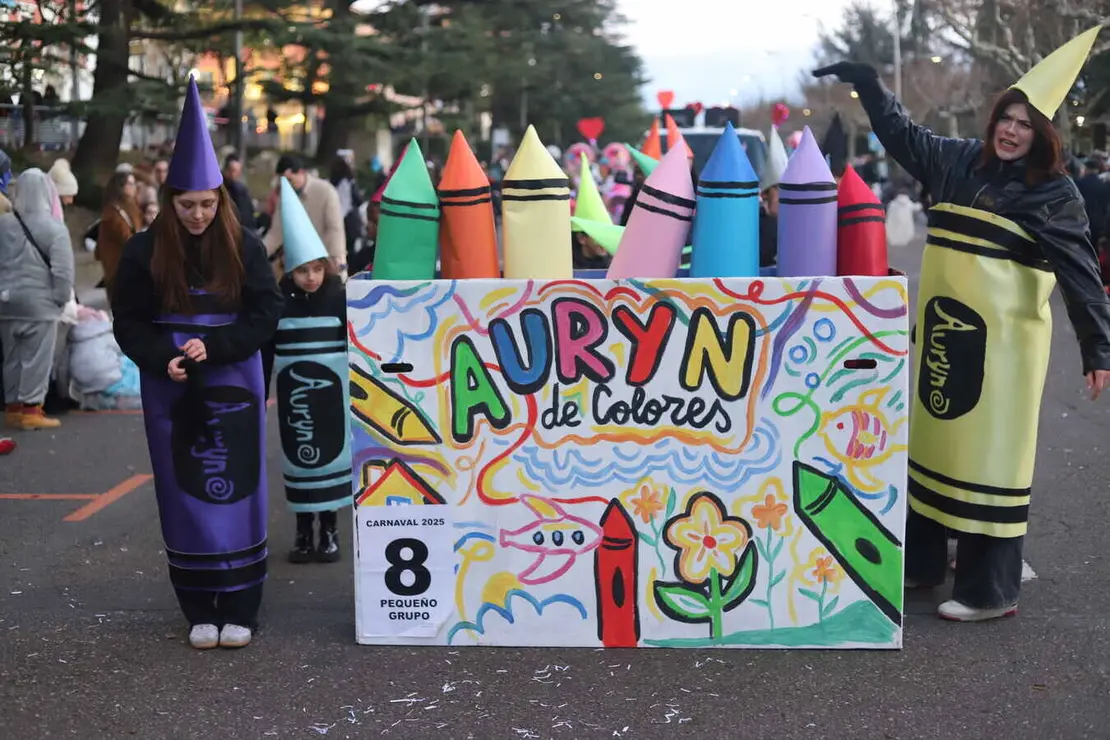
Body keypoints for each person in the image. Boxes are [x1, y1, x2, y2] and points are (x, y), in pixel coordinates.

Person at [814, 25, 1110, 622]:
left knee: (989, 459)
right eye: (1007, 117)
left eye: (1026, 124)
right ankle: (923, 563)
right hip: (946, 338)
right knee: (935, 445)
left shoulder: (1054, 195)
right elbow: (901, 134)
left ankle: (990, 589)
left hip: (1003, 354)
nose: (1011, 130)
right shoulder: (955, 162)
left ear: (1043, 135)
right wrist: (871, 87)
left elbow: (1080, 275)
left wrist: (1097, 348)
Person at [111, 77, 282, 650]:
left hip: (233, 376)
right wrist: (163, 358)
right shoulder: (142, 250)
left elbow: (265, 313)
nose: (199, 215)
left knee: (237, 490)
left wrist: (223, 346)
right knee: (183, 490)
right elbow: (128, 321)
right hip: (173, 386)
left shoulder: (243, 244)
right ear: (169, 202)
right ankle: (196, 607)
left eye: (208, 204)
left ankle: (241, 606)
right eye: (188, 206)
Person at [270, 179, 352, 564]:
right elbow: (266, 344)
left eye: (317, 269)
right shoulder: (279, 301)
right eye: (303, 270)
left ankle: (330, 530)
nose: (311, 278)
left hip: (329, 395)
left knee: (331, 456)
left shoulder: (337, 297)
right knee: (300, 461)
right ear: (289, 270)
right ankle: (304, 533)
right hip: (295, 396)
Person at [0, 169, 75, 431]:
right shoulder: (54, 227)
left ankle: (12, 408)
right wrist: (60, 299)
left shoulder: (4, 223)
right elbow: (63, 271)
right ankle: (32, 408)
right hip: (39, 304)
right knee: (36, 357)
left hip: (5, 303)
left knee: (11, 356)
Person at [262, 155, 346, 281]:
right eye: (282, 181)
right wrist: (259, 253)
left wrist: (335, 260)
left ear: (301, 173)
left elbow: (334, 229)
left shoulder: (326, 191)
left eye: (289, 180)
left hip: (324, 262)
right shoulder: (284, 196)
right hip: (298, 264)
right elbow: (276, 232)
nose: (286, 184)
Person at [95, 170, 142, 304]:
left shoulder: (130, 207)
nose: (135, 188)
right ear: (121, 187)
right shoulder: (114, 213)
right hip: (120, 271)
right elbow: (127, 238)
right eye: (131, 184)